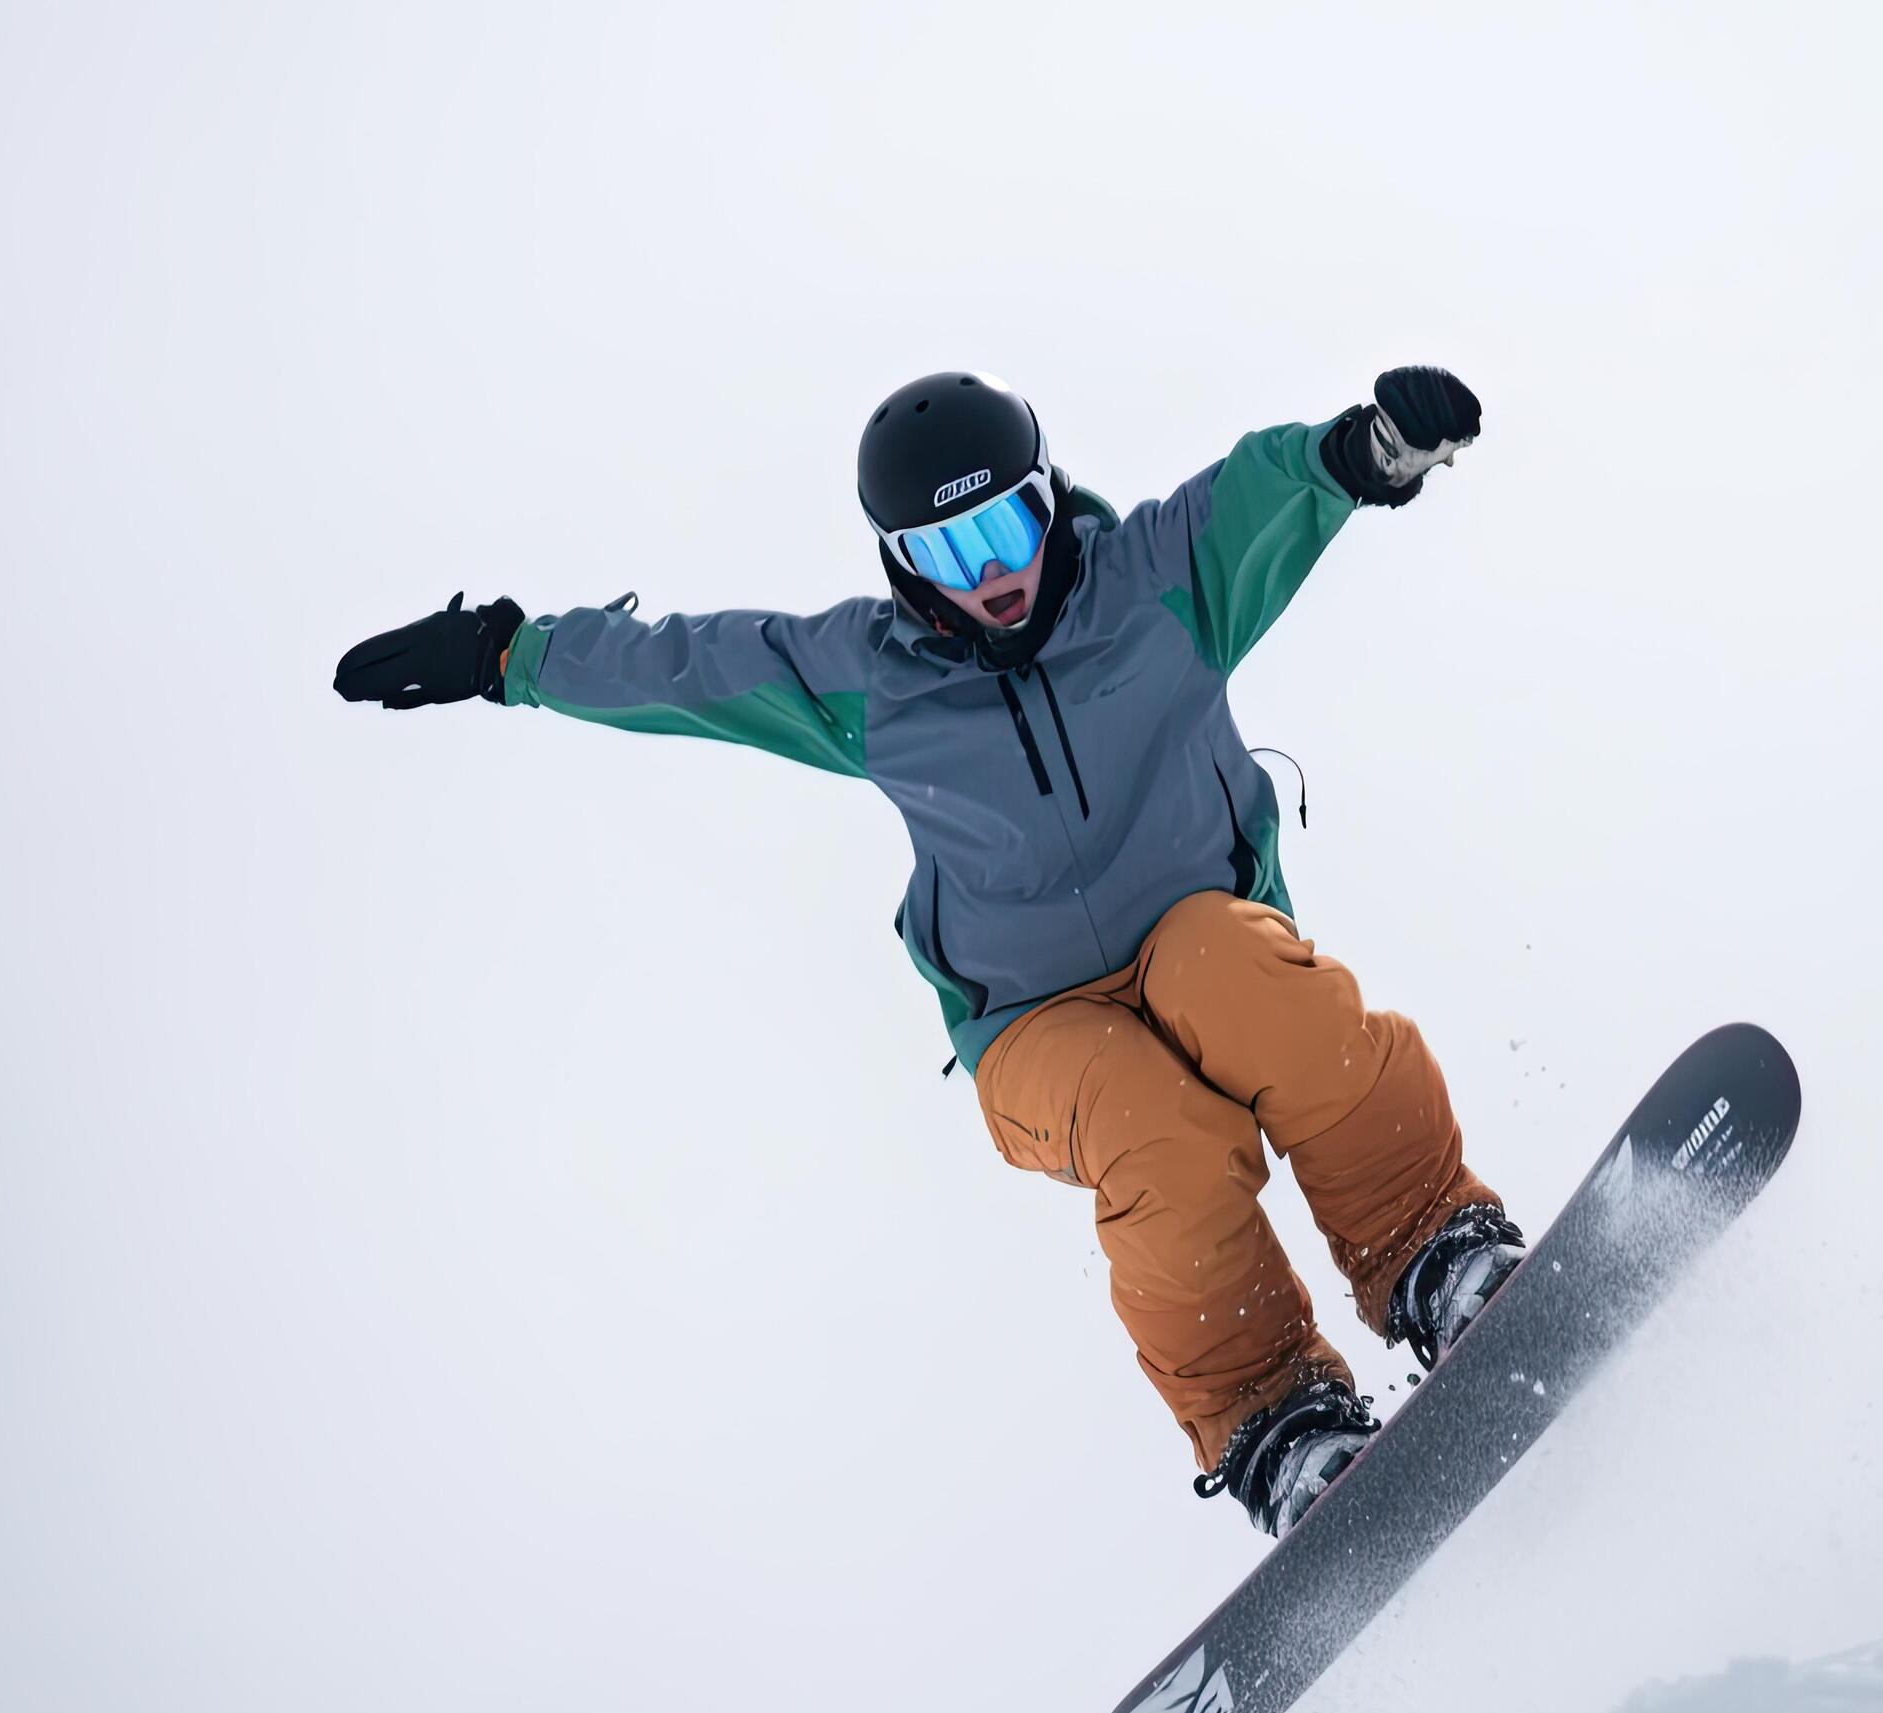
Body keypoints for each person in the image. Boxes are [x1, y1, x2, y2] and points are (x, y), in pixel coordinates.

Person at [333, 368, 1522, 1537]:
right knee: (1152, 1129)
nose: (994, 574)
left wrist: (1372, 450)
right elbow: (690, 666)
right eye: (949, 552)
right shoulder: (873, 683)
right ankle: (1276, 1418)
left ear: (1050, 499)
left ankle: (1436, 1253)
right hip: (1037, 1029)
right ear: (900, 563)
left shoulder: (1161, 581)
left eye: (1007, 526)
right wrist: (507, 655)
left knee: (1232, 969)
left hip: (1205, 934)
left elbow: (1269, 490)